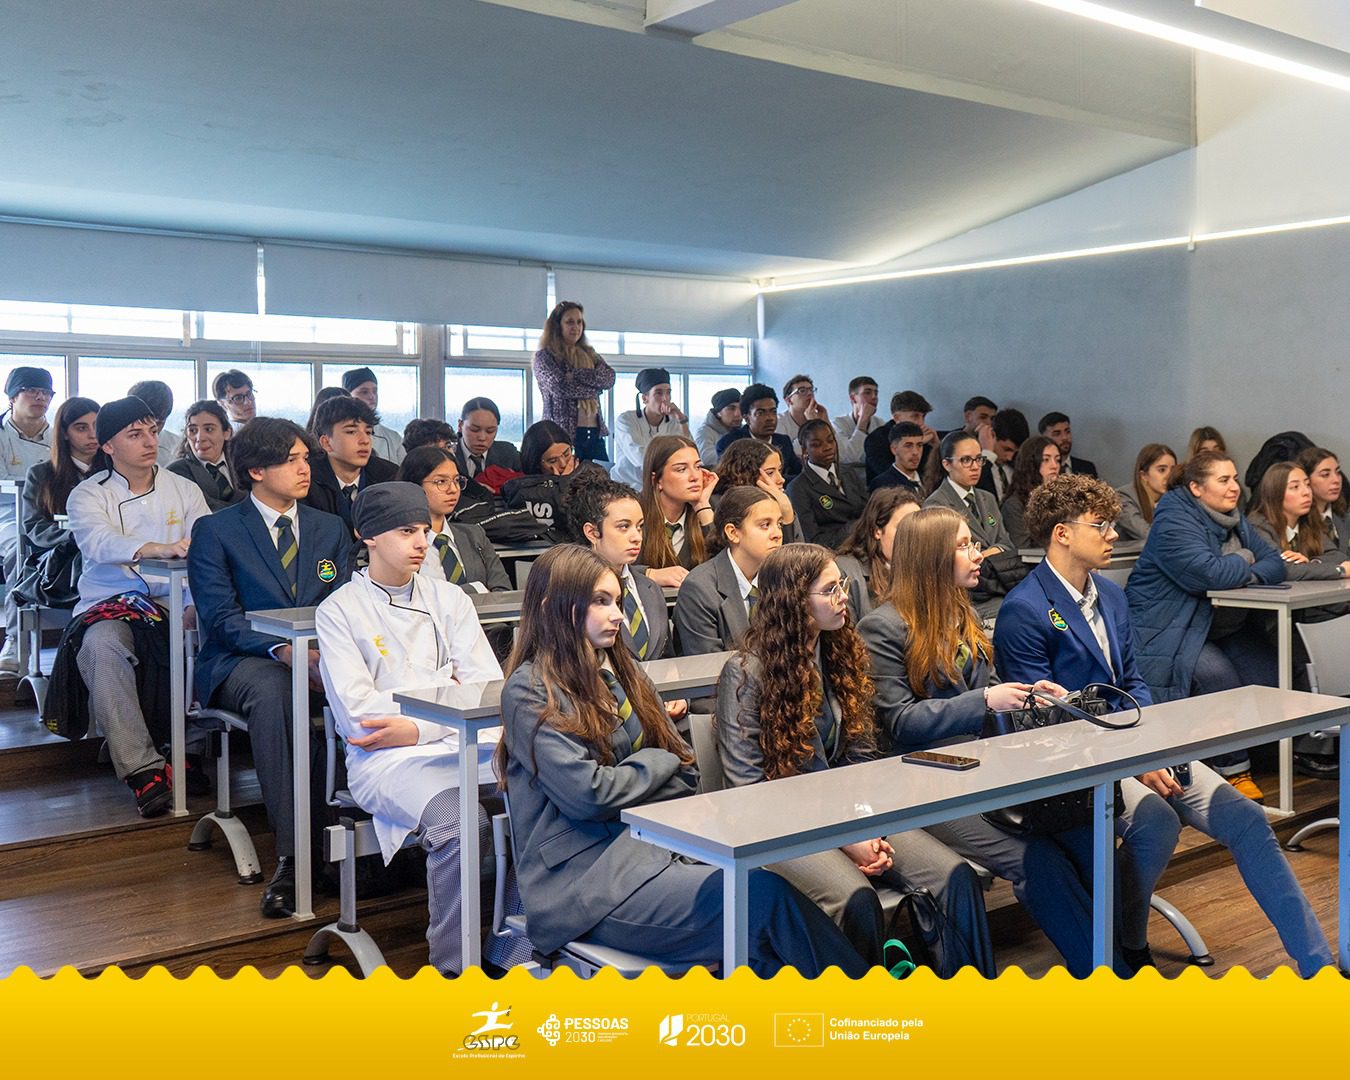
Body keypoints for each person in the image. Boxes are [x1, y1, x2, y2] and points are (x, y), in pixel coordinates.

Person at [996, 475, 1335, 976]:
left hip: (1137, 748)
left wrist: (1152, 749)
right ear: (1062, 534)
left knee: (1246, 819)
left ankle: (1318, 964)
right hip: (1080, 767)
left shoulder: (1110, 596)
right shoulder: (1023, 610)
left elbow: (1134, 681)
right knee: (1157, 820)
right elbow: (1044, 722)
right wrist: (1134, 762)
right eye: (1100, 525)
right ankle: (1129, 945)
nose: (1114, 534)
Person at [495, 544, 874, 976]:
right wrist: (656, 762)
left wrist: (653, 771)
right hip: (588, 885)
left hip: (661, 853)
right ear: (553, 607)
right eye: (601, 602)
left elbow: (687, 768)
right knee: (766, 902)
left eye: (617, 601)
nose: (618, 615)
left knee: (774, 921)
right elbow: (589, 794)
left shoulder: (626, 674)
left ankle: (830, 1012)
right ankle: (870, 1008)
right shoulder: (529, 691)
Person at [857, 505, 1135, 977]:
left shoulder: (960, 612)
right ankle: (1108, 978)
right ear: (931, 558)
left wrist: (1029, 694)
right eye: (964, 546)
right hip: (924, 783)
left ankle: (1117, 959)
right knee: (1039, 861)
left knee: (1088, 834)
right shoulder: (883, 627)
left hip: (985, 772)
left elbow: (989, 689)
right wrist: (986, 699)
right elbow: (899, 722)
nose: (979, 554)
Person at [716, 543, 995, 976]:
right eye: (830, 590)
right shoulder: (746, 673)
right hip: (777, 828)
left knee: (953, 875)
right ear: (793, 601)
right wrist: (845, 839)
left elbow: (862, 761)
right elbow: (748, 790)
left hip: (850, 814)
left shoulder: (839, 654)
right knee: (855, 897)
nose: (844, 596)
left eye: (842, 584)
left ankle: (969, 998)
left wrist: (862, 824)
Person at [316, 482, 522, 974]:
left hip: (465, 742)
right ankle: (453, 968)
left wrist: (416, 724)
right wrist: (445, 696)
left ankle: (516, 949)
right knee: (462, 823)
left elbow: (485, 691)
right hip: (386, 761)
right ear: (368, 535)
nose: (421, 543)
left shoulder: (451, 599)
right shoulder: (339, 611)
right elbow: (362, 717)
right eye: (406, 532)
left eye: (425, 532)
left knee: (542, 795)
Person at [189, 417, 353, 917]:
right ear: (257, 470)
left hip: (319, 655)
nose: (306, 469)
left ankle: (369, 843)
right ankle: (296, 856)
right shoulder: (217, 530)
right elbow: (221, 618)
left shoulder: (329, 528)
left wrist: (327, 654)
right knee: (279, 694)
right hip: (243, 661)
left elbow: (343, 603)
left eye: (306, 458)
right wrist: (284, 650)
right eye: (292, 460)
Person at [59, 397, 210, 815]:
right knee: (101, 647)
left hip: (176, 600)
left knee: (202, 635)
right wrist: (153, 547)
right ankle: (142, 769)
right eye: (135, 434)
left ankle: (188, 750)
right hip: (111, 602)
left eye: (153, 432)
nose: (150, 442)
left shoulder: (184, 489)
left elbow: (206, 551)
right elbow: (98, 542)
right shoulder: (88, 494)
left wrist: (194, 605)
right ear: (108, 446)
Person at [1125, 451, 1285, 801]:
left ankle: (1277, 761)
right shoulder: (1173, 519)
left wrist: (1243, 570)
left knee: (1273, 672)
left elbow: (1275, 562)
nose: (1235, 487)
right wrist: (1246, 557)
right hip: (1167, 628)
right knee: (1219, 678)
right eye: (1223, 480)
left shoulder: (1233, 518)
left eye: (1235, 478)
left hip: (1217, 625)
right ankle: (1234, 770)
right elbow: (1209, 575)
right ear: (1196, 488)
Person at [565, 470, 675, 664]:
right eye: (624, 527)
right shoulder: (572, 592)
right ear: (592, 532)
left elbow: (668, 657)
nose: (637, 537)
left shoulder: (650, 588)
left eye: (639, 526)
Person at [673, 485, 782, 658]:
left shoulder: (782, 579)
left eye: (779, 524)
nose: (777, 534)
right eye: (765, 525)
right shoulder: (699, 589)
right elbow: (708, 663)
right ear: (733, 533)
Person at [17, 397, 98, 613]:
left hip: (107, 552)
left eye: (97, 426)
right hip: (62, 558)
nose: (92, 434)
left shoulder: (115, 471)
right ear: (64, 433)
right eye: (81, 428)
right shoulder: (42, 474)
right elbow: (35, 527)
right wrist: (73, 536)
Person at [923, 431, 1015, 618]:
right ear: (947, 464)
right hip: (966, 594)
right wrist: (990, 553)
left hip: (999, 584)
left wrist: (986, 553)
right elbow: (945, 559)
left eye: (979, 459)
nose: (975, 467)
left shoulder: (987, 498)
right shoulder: (936, 504)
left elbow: (1007, 544)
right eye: (966, 460)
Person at [0, 365, 55, 673]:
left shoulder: (60, 437)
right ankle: (14, 638)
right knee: (18, 550)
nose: (40, 398)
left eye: (46, 392)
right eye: (31, 391)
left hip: (53, 516)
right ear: (12, 397)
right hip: (8, 517)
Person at [397, 447, 511, 593]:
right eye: (441, 481)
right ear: (414, 485)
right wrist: (474, 589)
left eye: (457, 480)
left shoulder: (474, 535)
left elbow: (503, 591)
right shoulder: (398, 541)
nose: (453, 489)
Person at [532, 301, 616, 463]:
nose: (576, 327)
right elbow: (560, 387)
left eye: (579, 322)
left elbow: (609, 378)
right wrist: (595, 388)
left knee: (603, 476)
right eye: (570, 322)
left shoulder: (591, 354)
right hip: (561, 437)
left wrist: (575, 374)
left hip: (594, 435)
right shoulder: (544, 357)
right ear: (557, 326)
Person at [305, 396, 399, 536]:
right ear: (326, 442)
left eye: (368, 432)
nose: (365, 440)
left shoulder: (390, 476)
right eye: (351, 432)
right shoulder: (306, 480)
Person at [1247, 462, 1350, 581]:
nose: (1306, 492)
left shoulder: (1308, 520)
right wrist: (1339, 571)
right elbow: (1280, 568)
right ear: (1275, 493)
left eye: (1307, 485)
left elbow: (1338, 556)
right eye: (1295, 487)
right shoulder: (1258, 525)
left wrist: (1312, 562)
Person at [835, 487, 921, 621]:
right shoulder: (845, 570)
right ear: (877, 531)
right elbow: (846, 632)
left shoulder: (924, 568)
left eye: (918, 528)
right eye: (904, 527)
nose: (914, 535)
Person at [636, 435, 716, 572]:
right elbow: (612, 565)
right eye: (681, 469)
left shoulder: (707, 510)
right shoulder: (634, 513)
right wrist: (648, 574)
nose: (695, 477)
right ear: (656, 480)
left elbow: (726, 567)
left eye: (697, 467)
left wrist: (701, 505)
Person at [787, 419, 867, 547]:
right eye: (817, 445)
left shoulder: (848, 472)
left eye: (831, 440)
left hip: (865, 542)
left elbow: (868, 510)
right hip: (834, 550)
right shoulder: (798, 487)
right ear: (805, 451)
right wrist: (854, 528)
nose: (827, 447)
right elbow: (812, 539)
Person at [612, 367, 690, 487]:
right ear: (645, 398)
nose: (665, 399)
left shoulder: (674, 422)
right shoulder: (626, 420)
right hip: (627, 485)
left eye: (668, 393)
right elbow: (640, 458)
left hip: (661, 485)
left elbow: (689, 453)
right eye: (659, 393)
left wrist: (681, 420)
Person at [713, 438, 798, 544]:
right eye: (770, 473)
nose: (781, 479)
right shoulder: (717, 504)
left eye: (779, 470)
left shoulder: (780, 500)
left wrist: (787, 512)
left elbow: (799, 550)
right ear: (743, 475)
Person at [168, 400, 244, 512]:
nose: (200, 438)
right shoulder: (177, 472)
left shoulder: (241, 462)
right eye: (193, 430)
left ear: (226, 433)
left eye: (209, 429)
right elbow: (206, 507)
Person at [714, 383, 802, 478]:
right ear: (746, 418)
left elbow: (797, 475)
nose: (770, 418)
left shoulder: (783, 442)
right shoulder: (729, 443)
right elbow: (728, 479)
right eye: (760, 413)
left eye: (773, 412)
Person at [1000, 435, 1062, 549]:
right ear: (1031, 464)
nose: (1054, 466)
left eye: (1057, 460)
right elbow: (1023, 549)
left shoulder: (1062, 500)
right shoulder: (1014, 505)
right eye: (1046, 460)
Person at [864, 390, 936, 485]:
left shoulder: (922, 436)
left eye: (923, 417)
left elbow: (934, 475)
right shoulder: (875, 440)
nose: (921, 422)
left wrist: (936, 446)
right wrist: (918, 443)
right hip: (887, 490)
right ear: (897, 418)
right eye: (915, 416)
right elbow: (888, 475)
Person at [454, 396, 522, 490]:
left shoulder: (508, 453)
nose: (482, 438)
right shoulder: (446, 453)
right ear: (460, 425)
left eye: (490, 431)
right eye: (474, 430)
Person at [342, 367, 406, 464]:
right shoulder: (339, 436)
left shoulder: (393, 438)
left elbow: (405, 471)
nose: (372, 397)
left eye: (375, 391)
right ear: (348, 396)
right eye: (364, 392)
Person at [1115, 443, 1177, 541]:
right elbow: (1148, 534)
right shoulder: (1123, 497)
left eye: (1173, 470)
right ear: (1143, 475)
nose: (1169, 476)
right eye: (1162, 470)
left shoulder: (1173, 498)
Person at [1296, 447, 1349, 553]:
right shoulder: (1297, 521)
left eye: (1338, 472)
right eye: (1325, 475)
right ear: (1306, 480)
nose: (1336, 480)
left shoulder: (1344, 516)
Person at [976, 408, 1028, 505]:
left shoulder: (1017, 464)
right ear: (992, 435)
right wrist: (987, 454)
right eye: (1006, 449)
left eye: (1015, 452)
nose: (1009, 457)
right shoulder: (977, 463)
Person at [129, 380, 180, 467]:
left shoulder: (177, 447)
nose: (151, 432)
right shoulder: (116, 443)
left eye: (158, 424)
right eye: (143, 422)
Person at [833, 376, 883, 466]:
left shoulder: (880, 424)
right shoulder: (838, 424)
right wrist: (863, 421)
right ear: (853, 398)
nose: (874, 397)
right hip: (847, 473)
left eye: (876, 393)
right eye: (867, 392)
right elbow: (847, 457)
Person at [869, 421, 926, 494]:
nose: (915, 452)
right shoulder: (882, 484)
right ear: (894, 449)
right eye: (908, 446)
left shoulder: (930, 479)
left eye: (919, 445)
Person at [1037, 411, 1097, 477]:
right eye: (1057, 434)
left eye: (1068, 432)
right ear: (1044, 438)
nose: (1065, 437)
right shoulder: (1037, 469)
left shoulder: (1087, 468)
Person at [777, 374, 832, 444]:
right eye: (802, 391)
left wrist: (826, 422)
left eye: (811, 390)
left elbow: (840, 449)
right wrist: (812, 426)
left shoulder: (816, 416)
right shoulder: (779, 422)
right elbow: (786, 450)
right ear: (789, 400)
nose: (810, 393)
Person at [694, 388, 742, 467]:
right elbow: (708, 459)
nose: (738, 414)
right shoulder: (704, 432)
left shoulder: (743, 430)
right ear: (718, 413)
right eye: (731, 409)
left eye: (741, 408)